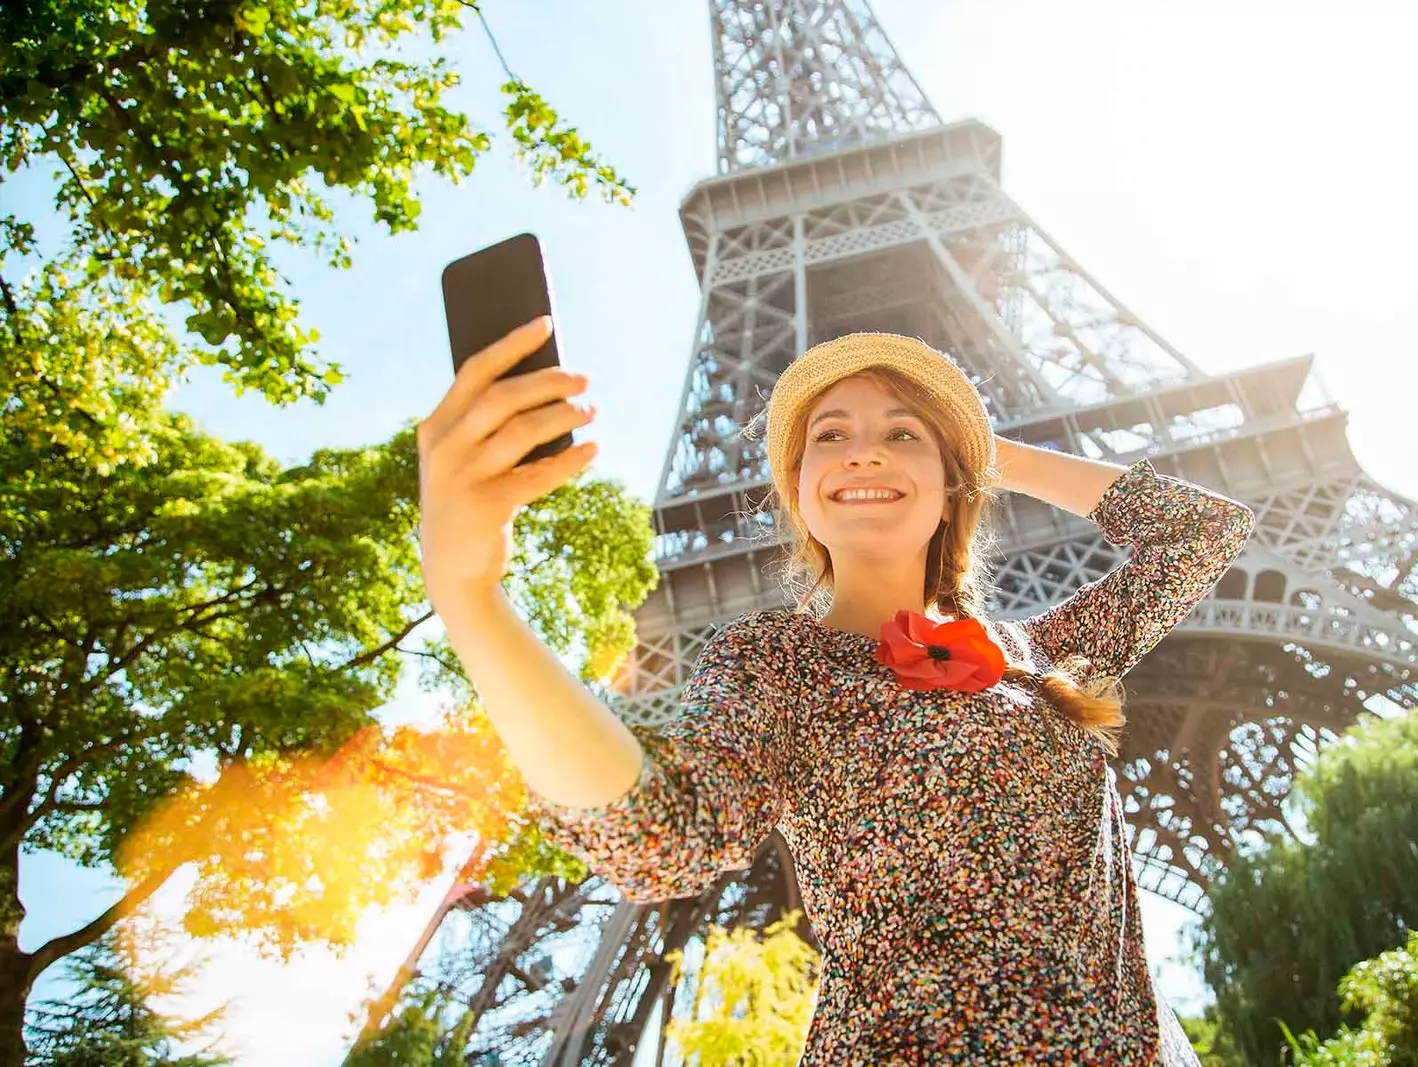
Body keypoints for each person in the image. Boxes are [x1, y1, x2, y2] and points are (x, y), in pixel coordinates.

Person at [418, 319, 1257, 1065]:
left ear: (953, 483)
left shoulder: (1040, 652)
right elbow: (660, 838)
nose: (866, 450)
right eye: (832, 435)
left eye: (902, 433)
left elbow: (1201, 531)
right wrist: (472, 600)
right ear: (798, 491)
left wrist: (989, 453)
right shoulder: (774, 664)